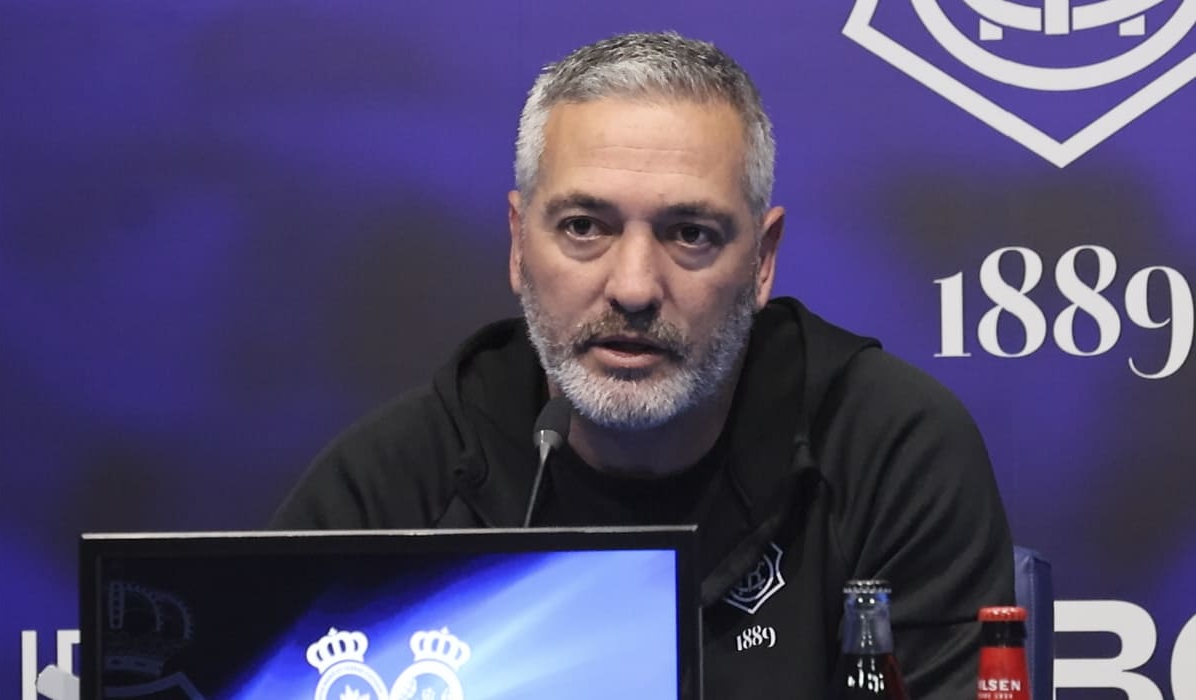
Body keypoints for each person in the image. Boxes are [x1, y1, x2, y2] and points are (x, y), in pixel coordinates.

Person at [272, 31, 1014, 698]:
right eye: (584, 227)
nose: (632, 287)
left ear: (762, 261)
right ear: (518, 243)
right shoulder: (399, 486)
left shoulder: (887, 451)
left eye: (689, 233)